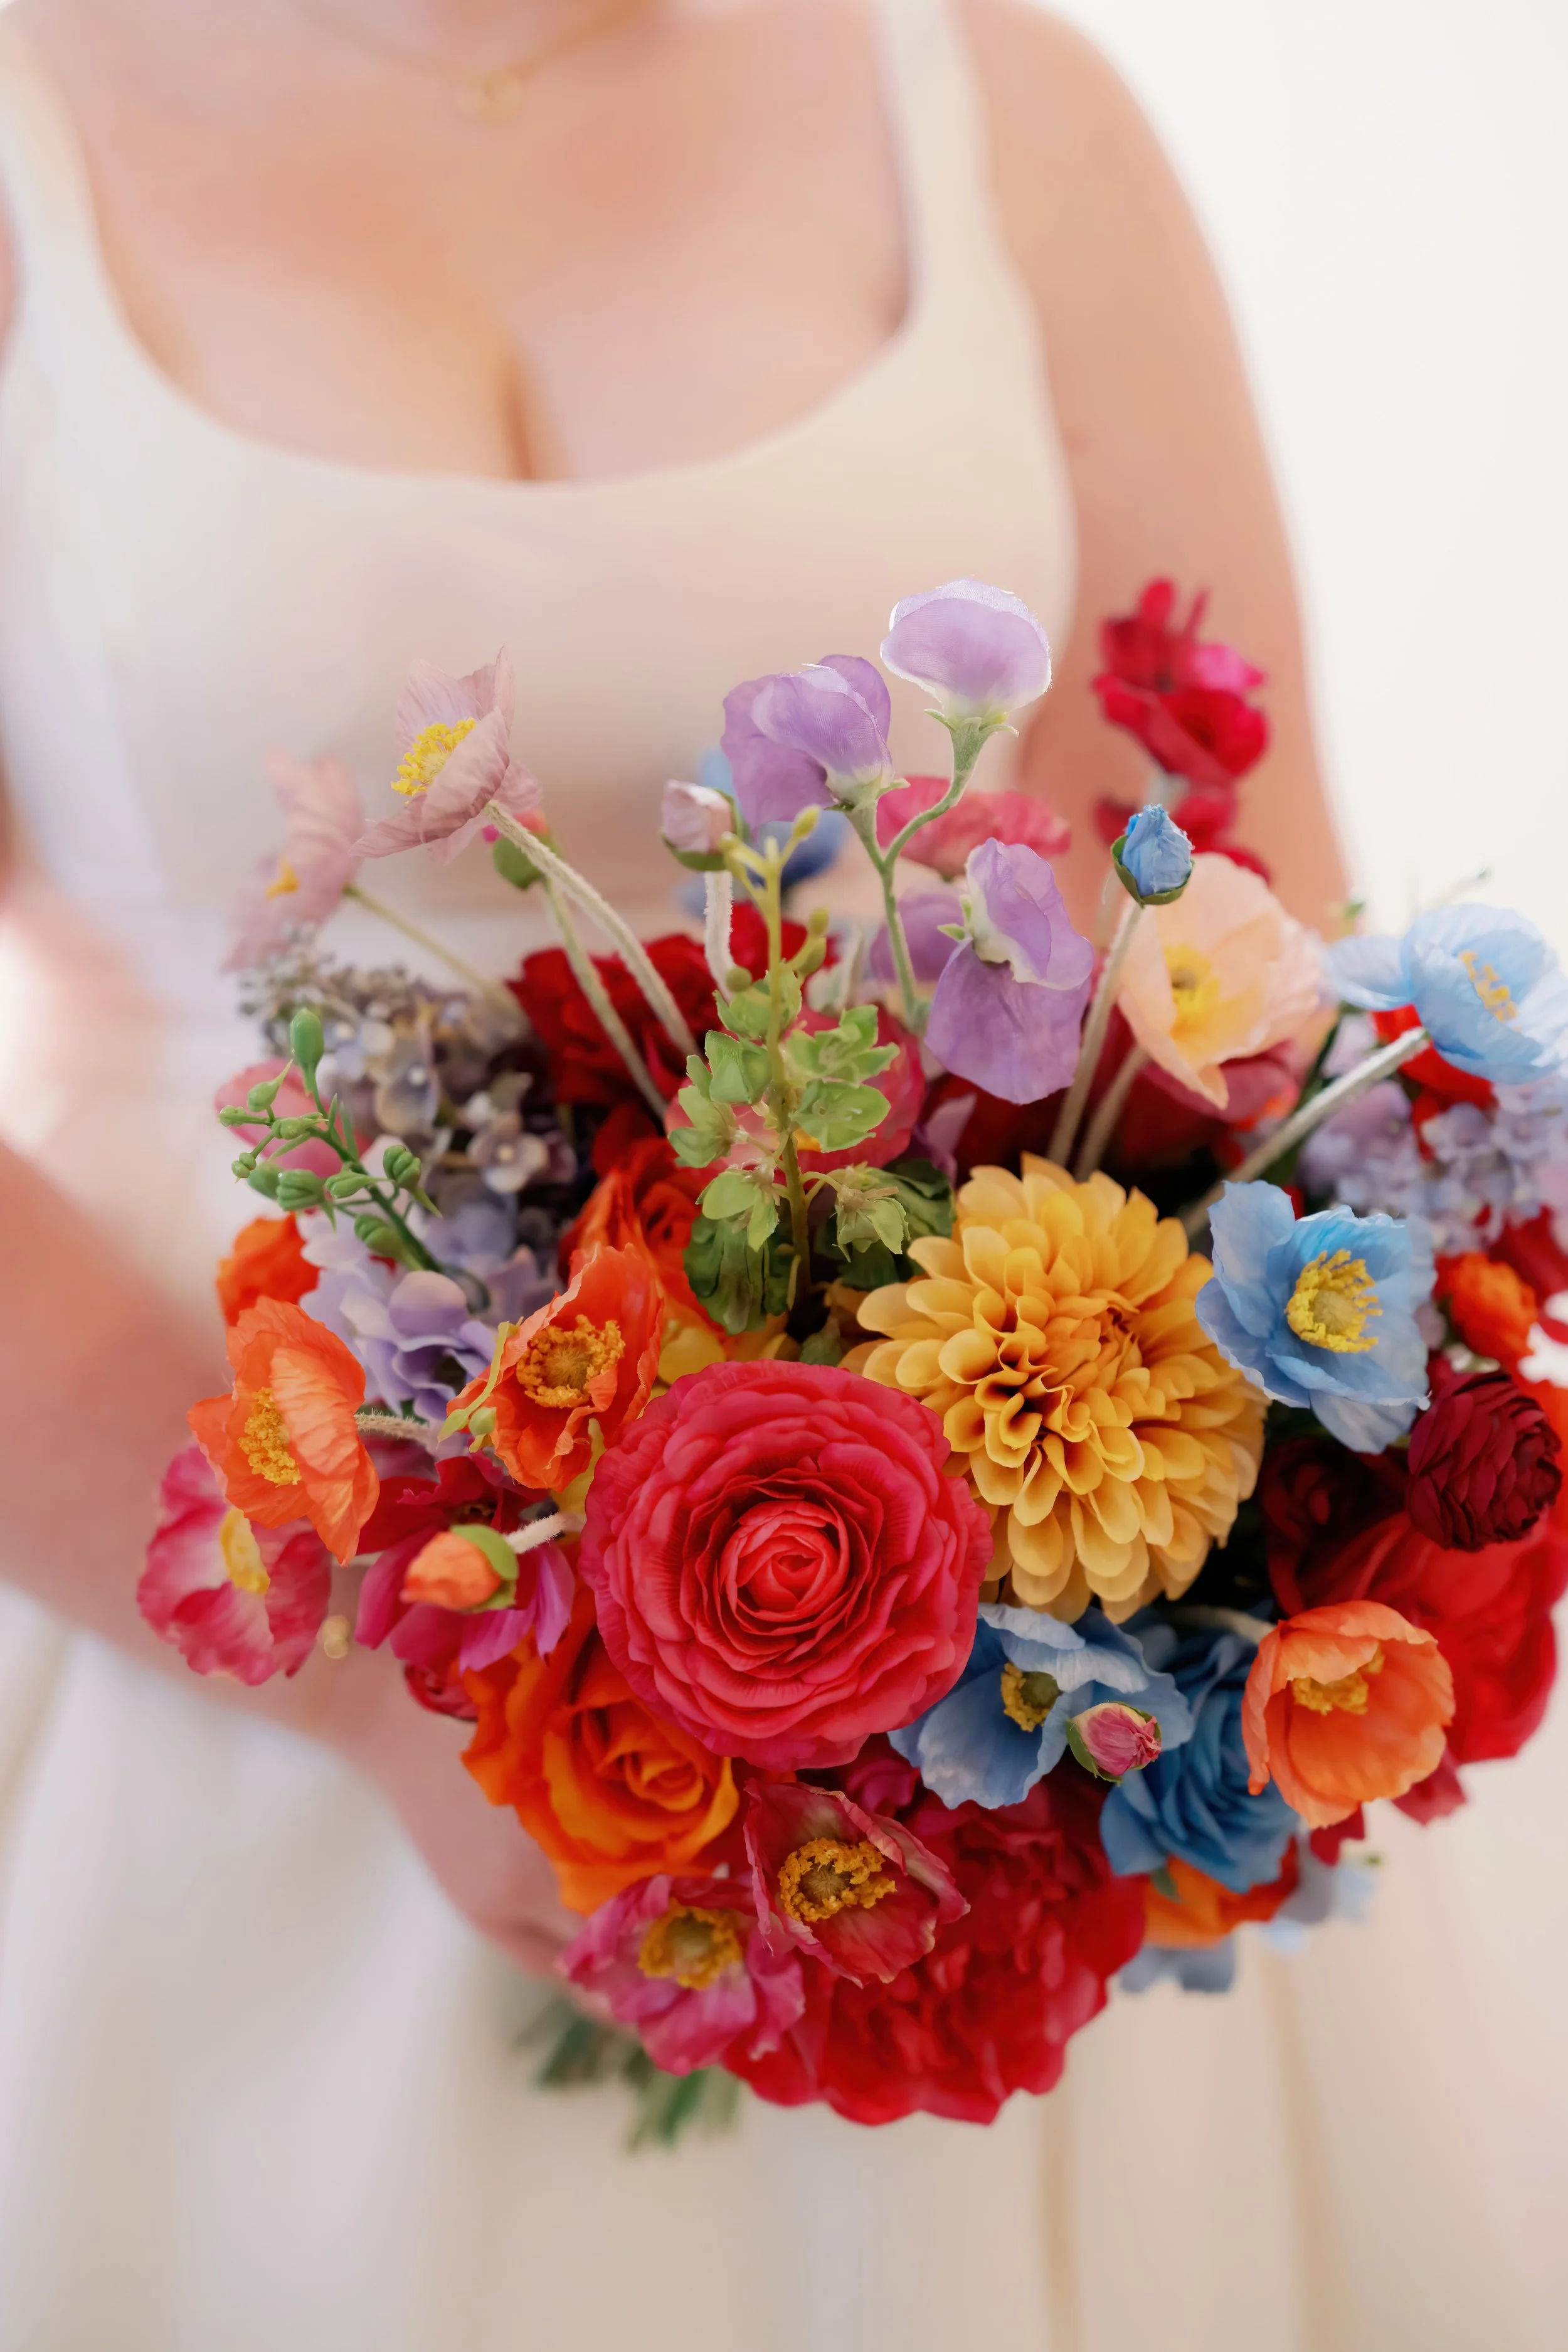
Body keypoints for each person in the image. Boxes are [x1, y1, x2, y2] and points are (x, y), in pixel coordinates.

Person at [0, 3, 1520, 2348]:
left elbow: (1234, 917)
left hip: (975, 1644)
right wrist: (365, 1699)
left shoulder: (996, 99)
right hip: (201, 1570)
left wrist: (1054, 1596)